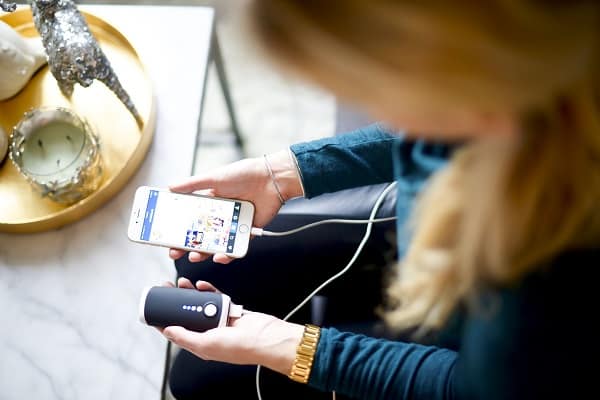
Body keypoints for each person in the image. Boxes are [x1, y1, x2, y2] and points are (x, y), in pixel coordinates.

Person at [159, 1, 600, 399]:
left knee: (194, 381)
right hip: (423, 247)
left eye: (376, 89)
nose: (382, 114)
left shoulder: (546, 290)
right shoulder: (505, 86)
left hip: (462, 352)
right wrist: (282, 175)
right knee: (196, 264)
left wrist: (281, 343)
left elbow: (462, 388)